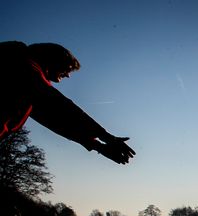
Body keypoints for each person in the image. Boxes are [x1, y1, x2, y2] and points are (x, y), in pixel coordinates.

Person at [0, 41, 134, 164]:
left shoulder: (27, 84)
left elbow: (52, 119)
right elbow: (58, 104)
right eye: (68, 68)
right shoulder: (22, 64)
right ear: (52, 59)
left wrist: (98, 145)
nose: (68, 75)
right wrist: (105, 136)